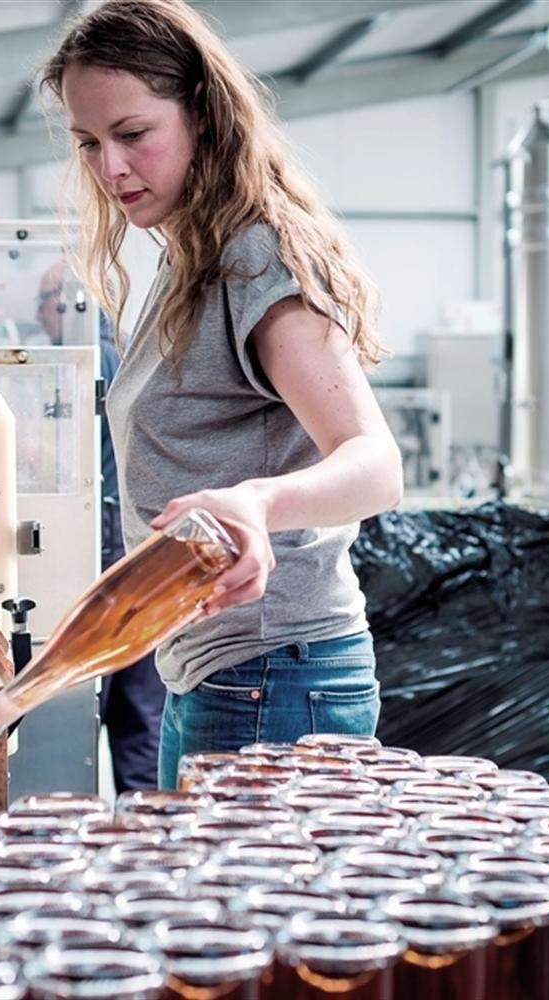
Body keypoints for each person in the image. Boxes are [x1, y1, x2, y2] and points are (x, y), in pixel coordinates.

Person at [41, 0, 404, 789]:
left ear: (203, 114)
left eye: (134, 135)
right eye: (89, 143)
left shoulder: (255, 254)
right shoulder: (188, 259)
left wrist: (257, 503)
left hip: (276, 676)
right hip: (221, 672)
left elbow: (375, 465)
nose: (110, 170)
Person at [36, 261, 167, 794]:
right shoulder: (126, 355)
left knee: (117, 713)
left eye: (44, 299)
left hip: (106, 546)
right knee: (140, 721)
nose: (39, 312)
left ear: (73, 303)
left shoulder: (97, 364)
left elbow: (60, 456)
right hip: (132, 546)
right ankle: (145, 840)